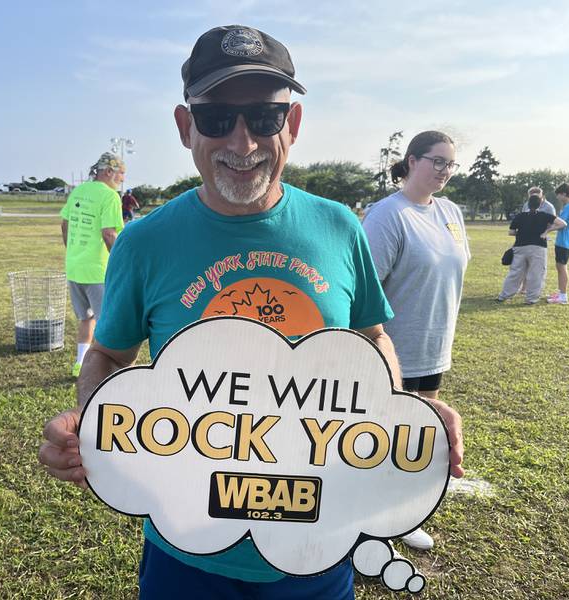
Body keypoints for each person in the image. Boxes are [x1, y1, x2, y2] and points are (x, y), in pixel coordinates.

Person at [39, 24, 464, 600]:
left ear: (291, 124)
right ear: (186, 127)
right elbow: (110, 356)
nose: (242, 143)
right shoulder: (146, 242)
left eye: (264, 118)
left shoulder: (339, 226)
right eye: (217, 119)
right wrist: (92, 422)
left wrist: (403, 415)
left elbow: (373, 337)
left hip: (318, 539)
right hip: (185, 543)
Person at [362, 130, 469, 551]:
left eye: (450, 163)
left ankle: (402, 516)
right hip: (394, 349)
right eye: (436, 161)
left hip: (434, 344)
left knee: (418, 438)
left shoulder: (451, 213)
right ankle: (370, 523)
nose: (444, 170)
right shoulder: (388, 215)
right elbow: (366, 291)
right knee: (384, 436)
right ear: (411, 161)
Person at [60, 152, 125, 377]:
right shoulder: (110, 196)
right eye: (121, 174)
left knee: (85, 318)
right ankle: (102, 368)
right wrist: (121, 262)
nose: (122, 180)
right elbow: (109, 234)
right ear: (108, 172)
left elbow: (64, 224)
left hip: (75, 267)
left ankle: (80, 363)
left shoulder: (78, 191)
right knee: (105, 322)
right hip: (98, 270)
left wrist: (73, 252)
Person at [497, 194, 567, 304]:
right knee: (536, 274)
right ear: (540, 204)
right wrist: (546, 231)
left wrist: (521, 233)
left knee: (515, 272)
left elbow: (511, 232)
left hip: (520, 247)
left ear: (528, 204)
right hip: (538, 247)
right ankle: (531, 299)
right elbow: (563, 224)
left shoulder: (520, 216)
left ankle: (504, 295)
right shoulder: (545, 215)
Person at [548, 183, 569, 305]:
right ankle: (561, 293)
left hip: (564, 242)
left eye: (559, 195)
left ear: (564, 194)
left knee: (561, 267)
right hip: (564, 241)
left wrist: (548, 229)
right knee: (560, 267)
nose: (558, 198)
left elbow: (560, 224)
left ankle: (563, 296)